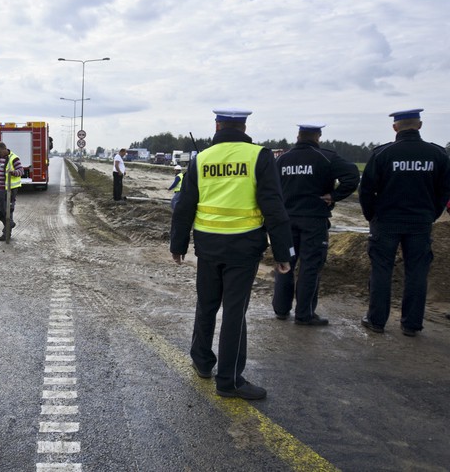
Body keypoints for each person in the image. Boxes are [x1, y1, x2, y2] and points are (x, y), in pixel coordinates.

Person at [171, 108, 293, 400]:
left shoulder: (202, 158)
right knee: (234, 312)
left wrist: (178, 245)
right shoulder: (259, 156)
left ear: (217, 125)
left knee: (207, 304)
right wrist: (283, 251)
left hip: (208, 246)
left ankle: (202, 362)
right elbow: (273, 207)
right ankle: (229, 380)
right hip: (243, 247)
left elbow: (185, 204)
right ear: (244, 126)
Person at [359, 109, 450, 336]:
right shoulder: (437, 154)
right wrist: (432, 214)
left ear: (395, 128)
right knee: (417, 273)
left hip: (387, 221)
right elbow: (444, 190)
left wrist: (372, 216)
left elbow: (367, 190)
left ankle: (376, 320)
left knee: (381, 270)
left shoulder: (383, 154)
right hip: (420, 222)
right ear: (419, 125)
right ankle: (411, 324)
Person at [272, 123, 360, 325]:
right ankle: (304, 314)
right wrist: (335, 195)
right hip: (314, 220)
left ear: (298, 136)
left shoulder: (283, 159)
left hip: (287, 221)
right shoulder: (326, 157)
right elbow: (352, 175)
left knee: (285, 263)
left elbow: (271, 187)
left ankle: (281, 309)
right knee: (310, 267)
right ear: (318, 136)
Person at [0, 142, 23, 241]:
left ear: (4, 149)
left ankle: (6, 234)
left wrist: (13, 172)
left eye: (0, 152)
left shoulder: (14, 158)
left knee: (9, 210)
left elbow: (21, 171)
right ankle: (9, 224)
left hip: (10, 189)